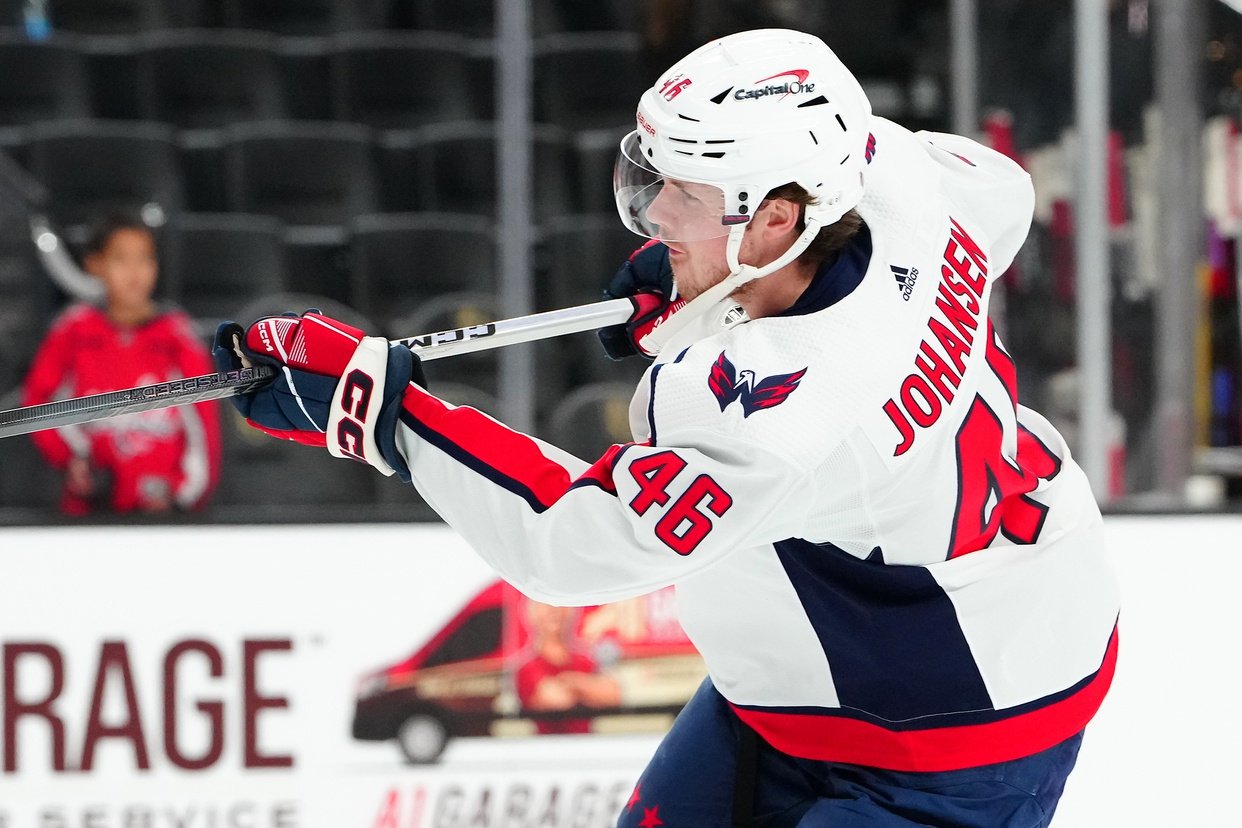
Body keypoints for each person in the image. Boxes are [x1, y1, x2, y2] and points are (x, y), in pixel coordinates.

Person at [213, 29, 1119, 827]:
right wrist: (710, 291)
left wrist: (383, 414)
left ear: (777, 219)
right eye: (656, 179)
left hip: (964, 728)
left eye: (687, 193)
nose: (655, 215)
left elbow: (573, 541)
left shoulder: (781, 414)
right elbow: (999, 195)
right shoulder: (890, 175)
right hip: (820, 676)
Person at [24, 212, 221, 516]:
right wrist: (74, 458)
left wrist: (181, 494)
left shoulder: (177, 336)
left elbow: (203, 427)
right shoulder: (73, 331)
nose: (136, 272)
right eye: (121, 259)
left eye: (145, 259)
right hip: (88, 513)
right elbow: (39, 402)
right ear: (94, 265)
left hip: (163, 515)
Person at [515, 600, 622, 734]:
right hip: (548, 748)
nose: (554, 612)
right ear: (533, 614)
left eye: (560, 606)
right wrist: (589, 689)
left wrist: (571, 681)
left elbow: (613, 696)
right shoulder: (526, 668)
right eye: (546, 606)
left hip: (586, 746)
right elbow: (556, 700)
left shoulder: (584, 660)